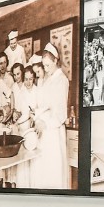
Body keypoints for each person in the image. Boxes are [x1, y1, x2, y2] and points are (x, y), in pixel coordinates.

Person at [33, 44, 72, 189]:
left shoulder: (61, 80)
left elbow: (61, 114)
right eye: (44, 65)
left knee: (53, 172)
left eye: (48, 65)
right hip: (44, 132)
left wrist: (45, 123)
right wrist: (37, 117)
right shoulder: (49, 79)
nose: (45, 68)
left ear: (56, 60)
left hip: (53, 132)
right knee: (44, 172)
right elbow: (45, 105)